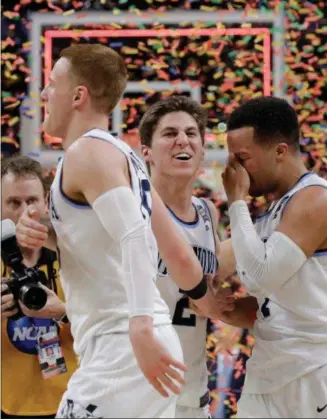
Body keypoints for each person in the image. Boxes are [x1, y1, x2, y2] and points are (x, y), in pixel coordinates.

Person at [15, 43, 225, 419]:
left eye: (51, 83)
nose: (44, 93)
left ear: (78, 95)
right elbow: (178, 253)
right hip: (138, 345)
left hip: (125, 347)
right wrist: (46, 233)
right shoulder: (125, 158)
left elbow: (133, 235)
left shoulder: (86, 153)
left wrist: (142, 326)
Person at [221, 96, 327, 418]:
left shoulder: (315, 199)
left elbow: (260, 275)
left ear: (280, 151)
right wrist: (221, 306)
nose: (234, 170)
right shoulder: (271, 213)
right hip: (268, 372)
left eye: (243, 158)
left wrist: (236, 201)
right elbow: (277, 303)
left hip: (312, 372)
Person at [139, 96, 236, 419]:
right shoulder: (132, 210)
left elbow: (213, 283)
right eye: (169, 133)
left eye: (192, 133)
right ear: (146, 152)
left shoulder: (208, 212)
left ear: (202, 150)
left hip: (192, 395)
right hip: (139, 395)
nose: (183, 139)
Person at [1, 155, 77, 418]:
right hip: (7, 407)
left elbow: (104, 332)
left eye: (32, 201)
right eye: (14, 203)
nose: (25, 213)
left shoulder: (72, 258)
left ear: (46, 203)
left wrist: (63, 311)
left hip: (69, 404)